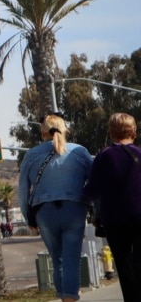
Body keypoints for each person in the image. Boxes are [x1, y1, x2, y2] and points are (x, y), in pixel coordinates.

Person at [18, 113, 94, 302]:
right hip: (74, 210)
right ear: (65, 129)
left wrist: (29, 217)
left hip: (45, 212)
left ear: (42, 132)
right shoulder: (79, 151)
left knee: (57, 259)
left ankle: (64, 297)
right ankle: (69, 297)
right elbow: (95, 182)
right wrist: (93, 207)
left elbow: (23, 190)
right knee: (71, 260)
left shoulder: (32, 154)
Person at [86, 112, 141, 300]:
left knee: (124, 266)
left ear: (111, 133)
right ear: (133, 132)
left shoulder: (104, 156)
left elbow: (92, 189)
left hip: (115, 220)